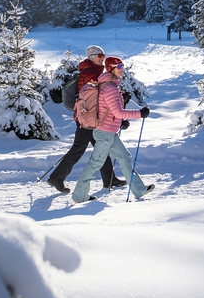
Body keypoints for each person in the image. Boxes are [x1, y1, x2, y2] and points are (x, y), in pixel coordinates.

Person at [72, 56, 155, 203]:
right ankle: (80, 196)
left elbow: (111, 112)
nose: (122, 70)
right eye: (119, 67)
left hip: (109, 132)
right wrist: (140, 113)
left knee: (124, 157)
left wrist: (119, 122)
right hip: (104, 134)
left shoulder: (110, 85)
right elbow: (118, 112)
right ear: (110, 68)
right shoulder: (109, 88)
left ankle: (138, 189)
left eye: (122, 66)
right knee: (95, 163)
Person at [46, 45, 123, 192]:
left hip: (90, 117)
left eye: (103, 56)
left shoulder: (92, 71)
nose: (102, 59)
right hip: (87, 118)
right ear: (91, 57)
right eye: (100, 56)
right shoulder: (90, 73)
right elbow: (99, 94)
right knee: (79, 150)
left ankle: (110, 179)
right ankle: (57, 178)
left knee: (101, 147)